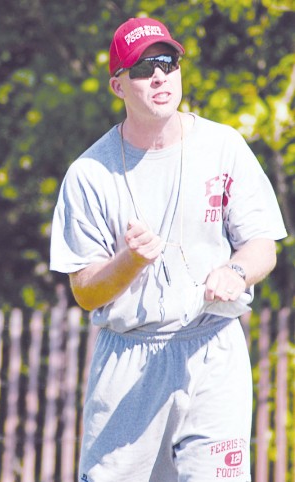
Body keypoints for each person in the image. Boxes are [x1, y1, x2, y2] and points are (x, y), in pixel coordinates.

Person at [50, 16, 287, 482]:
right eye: (142, 68)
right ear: (118, 86)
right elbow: (86, 292)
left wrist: (236, 272)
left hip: (213, 349)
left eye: (167, 61)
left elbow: (263, 245)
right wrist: (130, 261)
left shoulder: (225, 146)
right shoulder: (90, 174)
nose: (159, 75)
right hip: (130, 359)